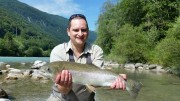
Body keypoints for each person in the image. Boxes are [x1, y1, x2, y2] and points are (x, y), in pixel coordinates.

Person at [47, 14, 127, 101]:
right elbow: (64, 91)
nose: (80, 33)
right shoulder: (58, 51)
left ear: (88, 31)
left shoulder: (96, 50)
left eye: (83, 30)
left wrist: (114, 81)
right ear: (68, 31)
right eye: (76, 30)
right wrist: (64, 84)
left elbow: (96, 81)